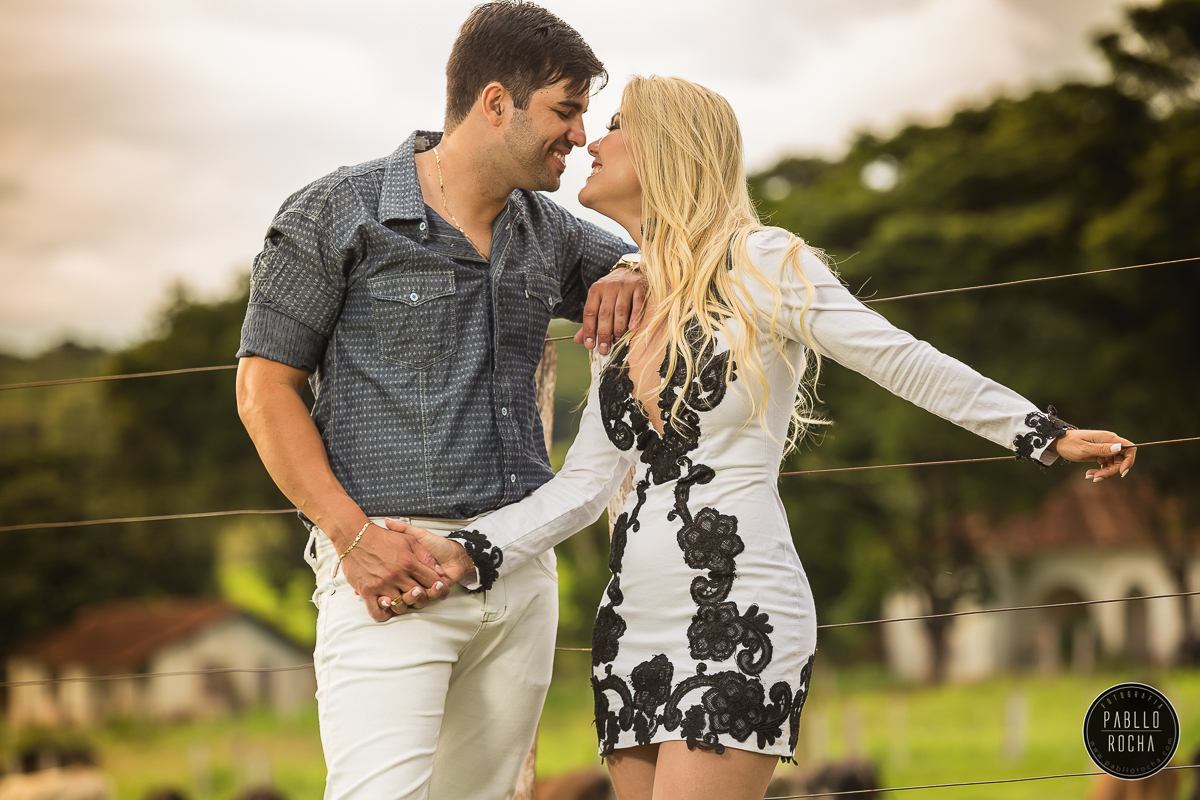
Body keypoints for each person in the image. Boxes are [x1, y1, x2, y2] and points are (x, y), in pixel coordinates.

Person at [397, 75, 1138, 800]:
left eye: (617, 125)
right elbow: (586, 486)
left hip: (738, 610)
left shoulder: (765, 261)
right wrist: (464, 551)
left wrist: (1043, 433)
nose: (592, 140)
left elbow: (898, 357)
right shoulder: (626, 313)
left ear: (670, 148)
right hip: (629, 626)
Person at [234, 3, 643, 799]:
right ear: (496, 103)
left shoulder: (550, 232)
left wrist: (636, 267)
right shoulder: (337, 212)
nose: (580, 134)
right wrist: (352, 539)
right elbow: (263, 388)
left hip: (518, 572)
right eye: (565, 111)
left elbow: (681, 261)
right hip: (392, 570)